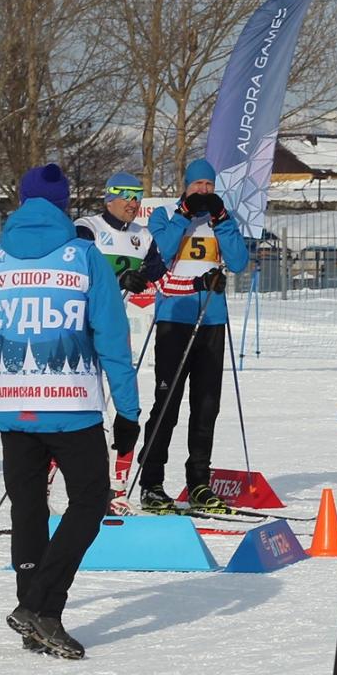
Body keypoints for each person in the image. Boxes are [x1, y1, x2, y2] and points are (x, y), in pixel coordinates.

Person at [0, 163, 140, 659]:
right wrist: (128, 413)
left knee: (29, 509)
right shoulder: (85, 258)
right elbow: (113, 342)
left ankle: (30, 611)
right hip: (74, 409)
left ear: (20, 204)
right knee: (89, 503)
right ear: (65, 206)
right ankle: (44, 606)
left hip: (14, 409)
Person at [138, 158, 248, 514]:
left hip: (212, 320)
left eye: (209, 187)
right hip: (174, 317)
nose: (203, 192)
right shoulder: (165, 214)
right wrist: (185, 214)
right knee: (167, 405)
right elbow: (164, 250)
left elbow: (239, 261)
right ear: (185, 186)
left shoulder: (221, 218)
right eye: (197, 186)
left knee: (206, 407)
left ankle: (199, 482)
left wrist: (222, 221)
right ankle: (152, 482)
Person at [74, 170, 165, 497]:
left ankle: (118, 488)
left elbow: (161, 274)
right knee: (77, 407)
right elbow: (77, 276)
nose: (133, 202)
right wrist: (118, 281)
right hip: (80, 330)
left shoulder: (144, 237)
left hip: (114, 331)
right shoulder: (88, 228)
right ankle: (46, 486)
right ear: (109, 196)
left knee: (127, 406)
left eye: (137, 196)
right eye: (126, 195)